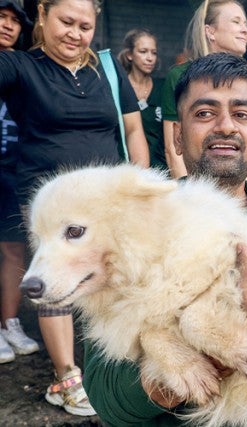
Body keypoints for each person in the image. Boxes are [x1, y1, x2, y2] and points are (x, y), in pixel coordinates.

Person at [82, 53, 247, 426]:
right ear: (177, 135)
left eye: (242, 114)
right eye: (205, 114)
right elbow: (108, 398)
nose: (225, 126)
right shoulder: (125, 234)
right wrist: (243, 341)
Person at [0, 0, 150, 417]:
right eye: (66, 21)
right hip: (49, 203)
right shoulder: (19, 66)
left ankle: (115, 367)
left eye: (84, 26)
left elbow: (133, 129)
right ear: (43, 15)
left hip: (105, 202)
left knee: (114, 280)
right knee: (56, 283)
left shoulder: (106, 66)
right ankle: (66, 377)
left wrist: (140, 186)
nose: (75, 33)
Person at [162, 0, 247, 178]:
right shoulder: (180, 76)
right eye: (236, 22)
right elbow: (173, 147)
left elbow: (246, 145)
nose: (245, 30)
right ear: (210, 31)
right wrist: (188, 197)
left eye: (245, 24)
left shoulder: (245, 80)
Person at [0, 0, 39, 365]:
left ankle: (10, 322)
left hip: (13, 169)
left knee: (14, 249)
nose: (8, 25)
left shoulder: (25, 67)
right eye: (1, 17)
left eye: (15, 21)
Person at [118, 28, 166, 170]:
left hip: (161, 169)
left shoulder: (163, 88)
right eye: (143, 51)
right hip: (126, 169)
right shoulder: (119, 87)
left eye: (154, 52)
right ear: (129, 55)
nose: (150, 58)